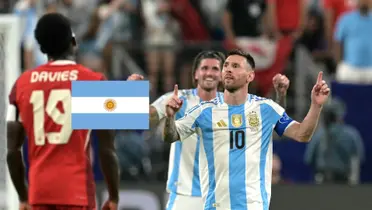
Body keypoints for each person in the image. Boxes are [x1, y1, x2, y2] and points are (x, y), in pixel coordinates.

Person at [162, 49, 330, 210]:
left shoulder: (265, 108)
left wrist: (316, 106)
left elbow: (302, 135)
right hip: (208, 203)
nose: (228, 69)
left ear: (250, 76)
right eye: (226, 65)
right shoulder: (202, 111)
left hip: (253, 206)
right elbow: (169, 136)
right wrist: (169, 116)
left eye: (235, 66)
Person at [5, 13, 135, 210]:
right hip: (76, 192)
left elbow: (12, 152)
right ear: (73, 42)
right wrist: (113, 196)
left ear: (41, 48)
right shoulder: (89, 82)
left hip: (39, 193)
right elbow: (107, 148)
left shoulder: (22, 84)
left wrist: (23, 197)